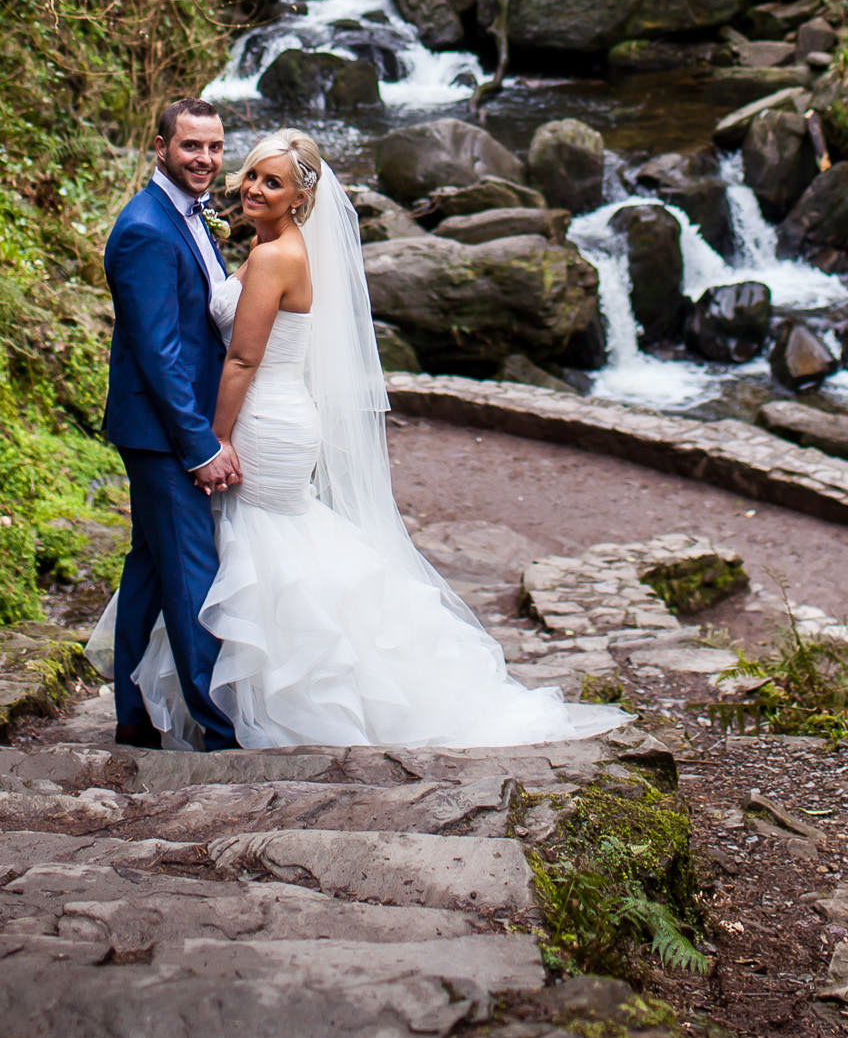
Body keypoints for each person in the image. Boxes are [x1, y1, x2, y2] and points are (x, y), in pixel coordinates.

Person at [120, 127, 613, 752]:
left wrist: (213, 442)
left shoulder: (276, 256)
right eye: (251, 175)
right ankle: (233, 703)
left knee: (266, 554)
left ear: (300, 198)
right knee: (254, 551)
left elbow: (242, 362)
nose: (252, 187)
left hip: (262, 421)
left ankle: (284, 704)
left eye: (272, 182)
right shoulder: (273, 246)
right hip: (270, 413)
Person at [96, 96, 242, 751]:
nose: (205, 159)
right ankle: (218, 734)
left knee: (151, 569)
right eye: (191, 147)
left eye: (214, 147)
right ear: (160, 147)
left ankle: (133, 716)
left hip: (162, 430)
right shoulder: (146, 230)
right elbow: (159, 354)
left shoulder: (184, 216)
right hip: (163, 436)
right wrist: (199, 445)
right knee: (192, 576)